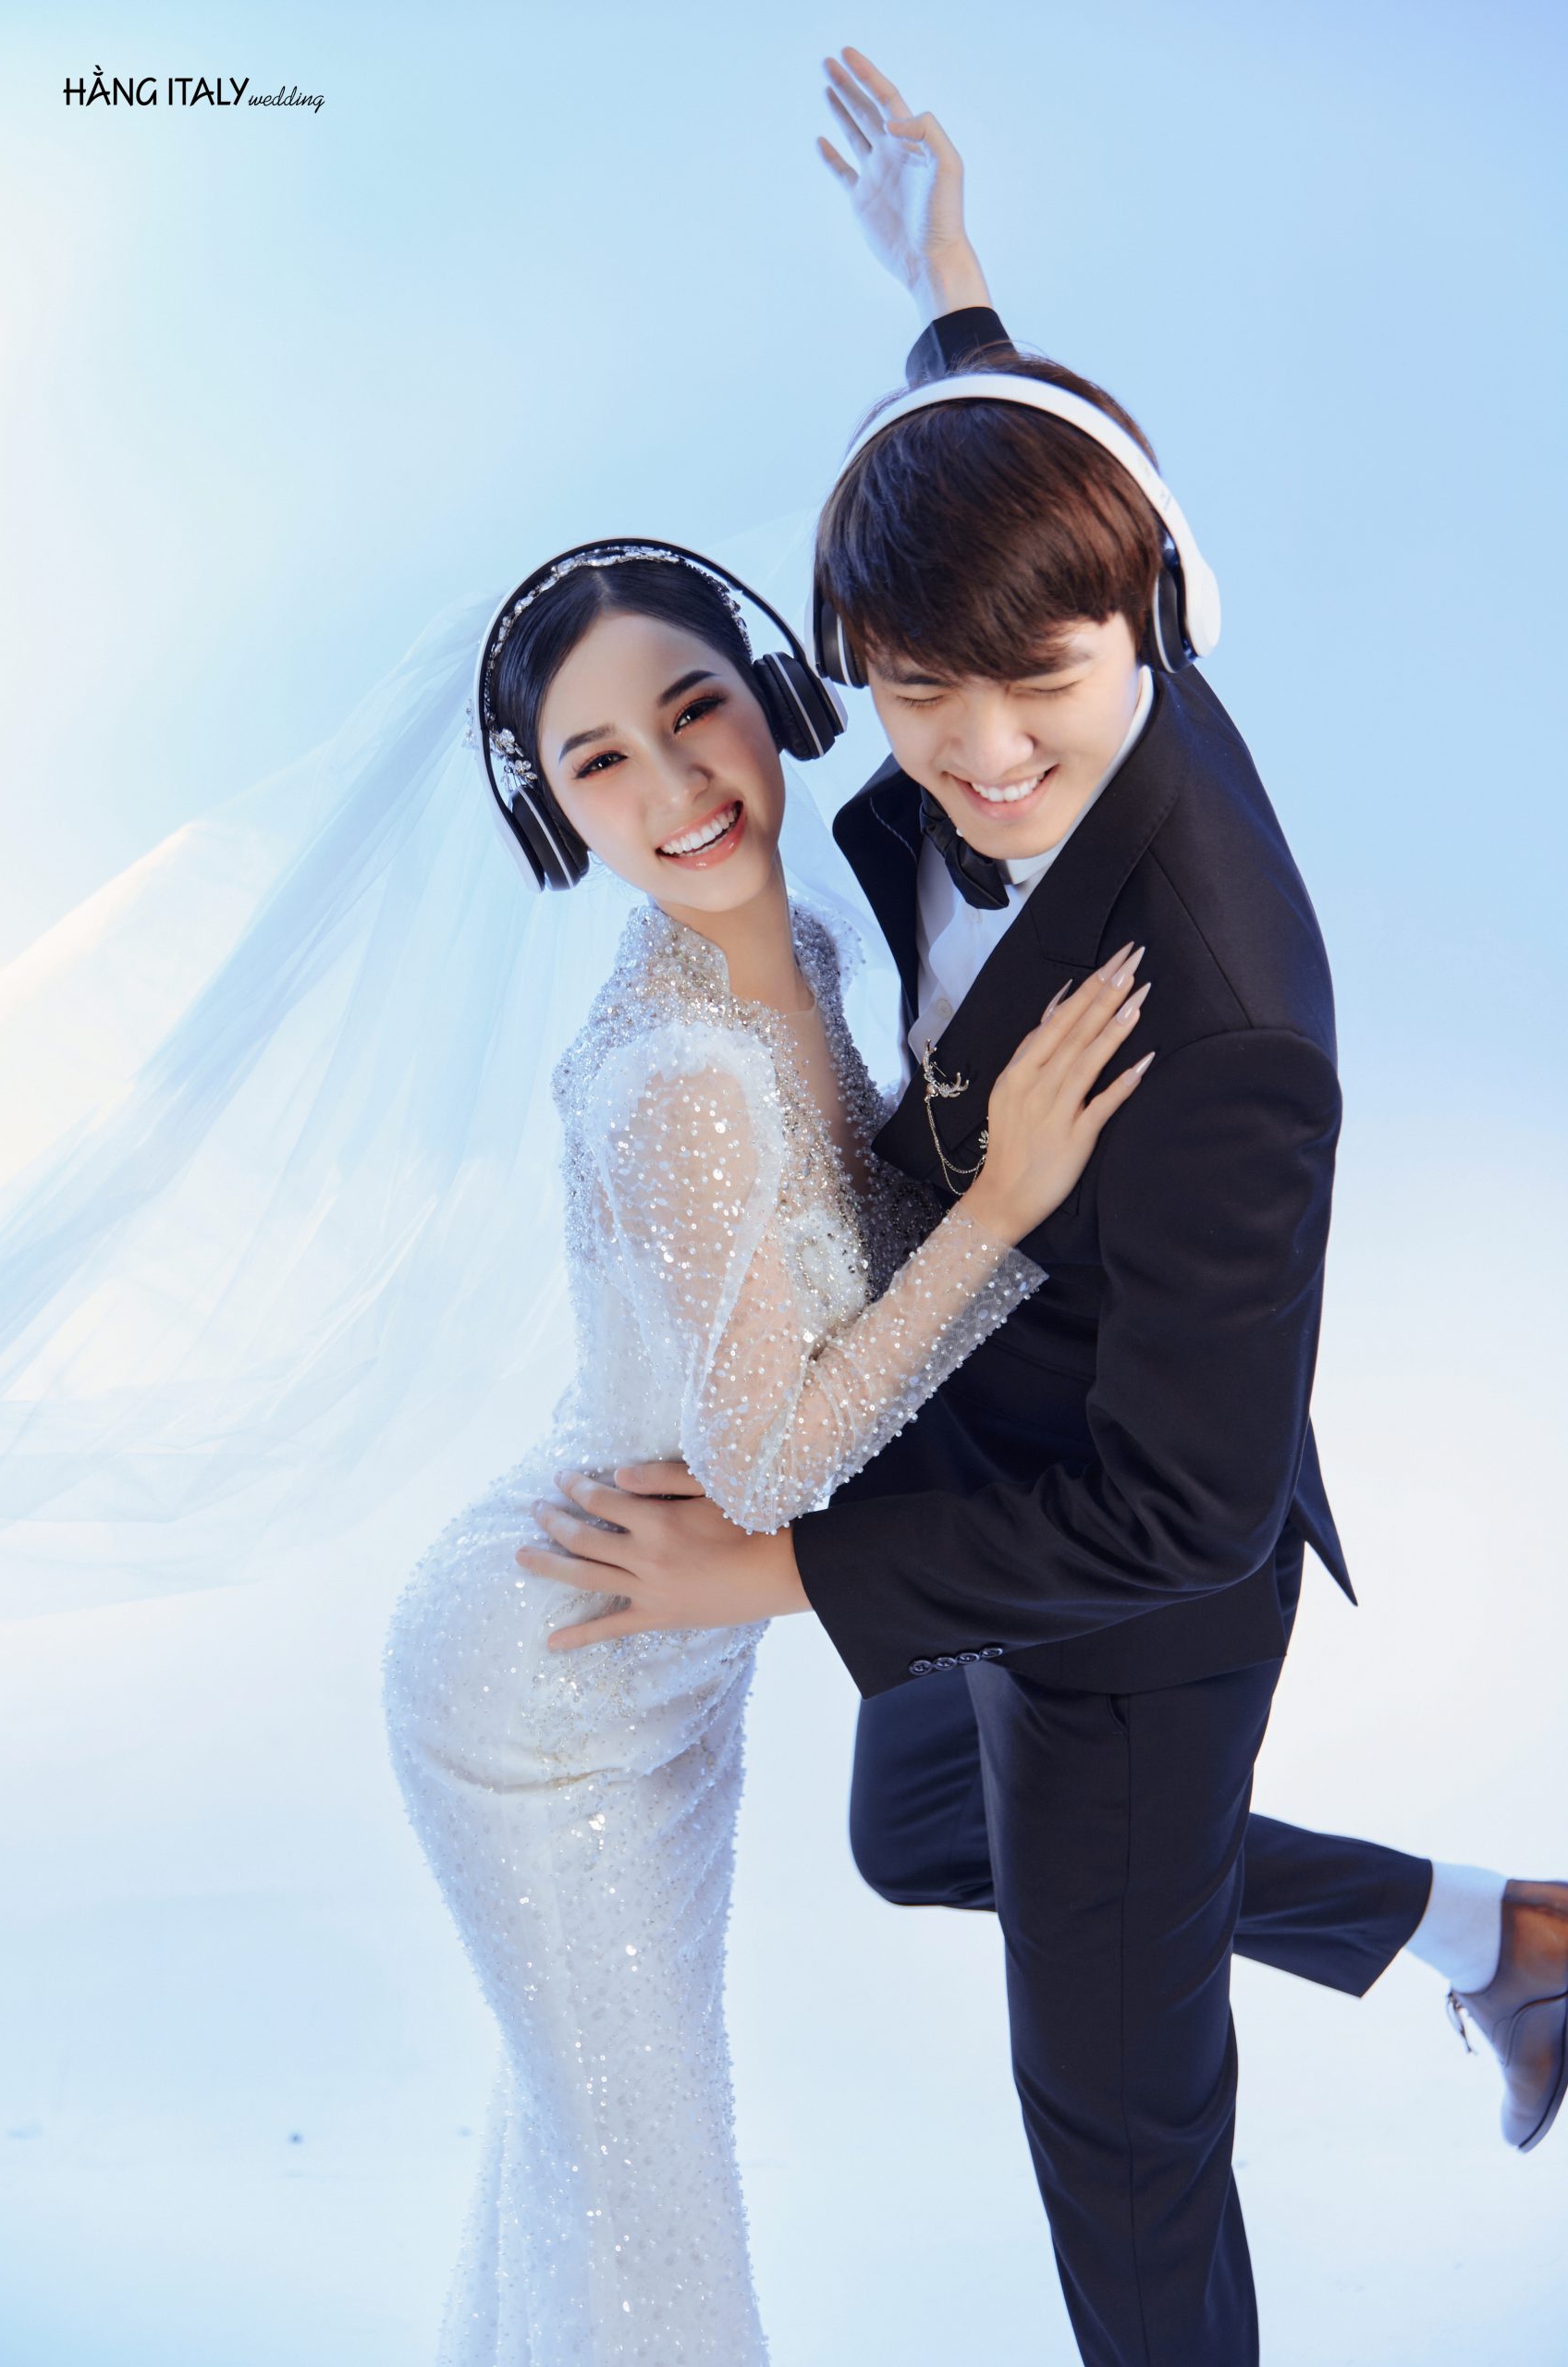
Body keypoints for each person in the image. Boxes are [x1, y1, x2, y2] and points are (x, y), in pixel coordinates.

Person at [529, 55, 1568, 2367]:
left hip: (1120, 1579)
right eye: (918, 691)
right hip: (960, 1431)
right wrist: (943, 269)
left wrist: (767, 1565)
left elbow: (1183, 1510)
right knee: (916, 1828)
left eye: (1043, 684)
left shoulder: (1228, 1024)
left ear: (1149, 621)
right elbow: (1007, 447)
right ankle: (1498, 1932)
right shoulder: (1031, 573)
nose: (984, 750)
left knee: (1116, 2125)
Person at [380, 537, 1154, 2363]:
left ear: (776, 700)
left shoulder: (792, 950)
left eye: (694, 710)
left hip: (664, 1658)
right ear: (557, 816)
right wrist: (1007, 1203)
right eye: (600, 763)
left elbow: (847, 1244)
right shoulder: (680, 1080)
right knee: (640, 2177)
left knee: (601, 2154)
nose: (677, 785)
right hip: (547, 1683)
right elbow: (767, 1466)